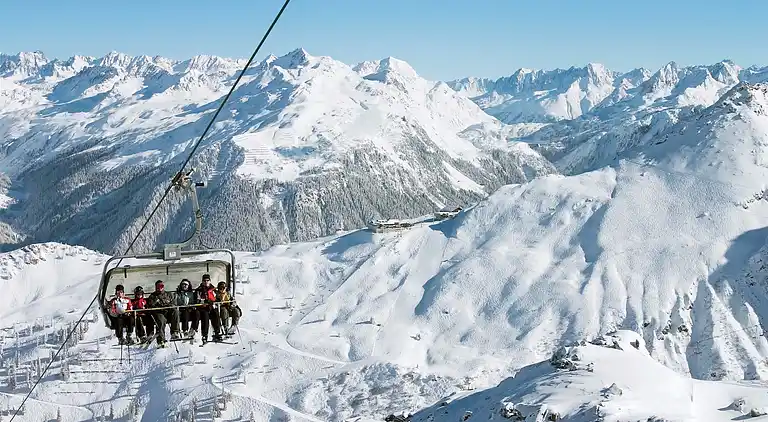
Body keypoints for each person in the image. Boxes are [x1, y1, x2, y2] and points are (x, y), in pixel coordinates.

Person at [146, 280, 181, 346]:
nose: (160, 288)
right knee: (161, 320)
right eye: (158, 286)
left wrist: (168, 305)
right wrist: (157, 304)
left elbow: (173, 303)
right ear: (156, 287)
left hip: (168, 311)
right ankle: (161, 339)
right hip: (159, 312)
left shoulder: (169, 294)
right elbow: (150, 306)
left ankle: (175, 332)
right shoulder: (153, 296)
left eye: (161, 286)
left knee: (176, 312)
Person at [196, 274, 223, 343]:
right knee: (205, 318)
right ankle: (204, 335)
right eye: (204, 280)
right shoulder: (199, 290)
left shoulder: (213, 289)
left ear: (210, 281)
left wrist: (216, 301)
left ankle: (217, 333)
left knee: (216, 315)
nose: (206, 282)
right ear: (202, 281)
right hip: (204, 308)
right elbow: (198, 300)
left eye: (207, 280)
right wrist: (205, 301)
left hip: (212, 307)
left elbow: (218, 297)